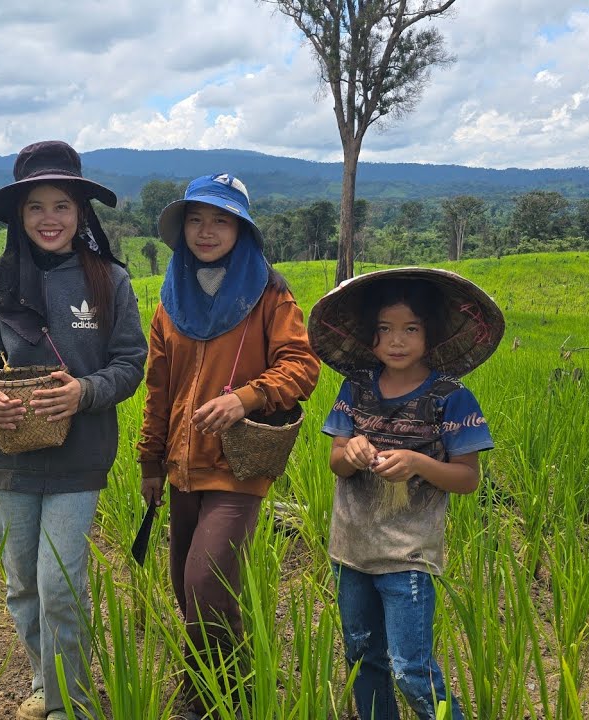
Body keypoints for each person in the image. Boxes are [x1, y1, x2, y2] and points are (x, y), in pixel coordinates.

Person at [0, 140, 148, 720]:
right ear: (20, 215)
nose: (49, 218)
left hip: (79, 457)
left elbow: (130, 362)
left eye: (61, 205)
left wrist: (83, 392)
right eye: (36, 206)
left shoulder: (109, 281)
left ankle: (72, 704)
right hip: (8, 457)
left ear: (81, 213)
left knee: (60, 583)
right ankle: (47, 681)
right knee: (22, 586)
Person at [137, 173, 320, 718]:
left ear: (242, 229)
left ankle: (223, 697)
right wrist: (150, 461)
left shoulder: (270, 293)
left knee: (206, 581)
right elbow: (158, 387)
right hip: (181, 466)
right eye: (196, 219)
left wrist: (246, 397)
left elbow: (302, 365)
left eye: (221, 220)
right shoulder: (172, 298)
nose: (207, 231)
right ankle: (210, 684)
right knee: (184, 586)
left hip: (238, 466)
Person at [307, 268, 505, 720]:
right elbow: (336, 460)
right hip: (351, 550)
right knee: (362, 658)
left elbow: (468, 478)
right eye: (385, 330)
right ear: (371, 337)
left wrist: (416, 463)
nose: (396, 341)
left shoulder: (449, 398)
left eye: (410, 329)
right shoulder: (355, 389)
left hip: (408, 556)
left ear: (429, 334)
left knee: (410, 669)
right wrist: (352, 450)